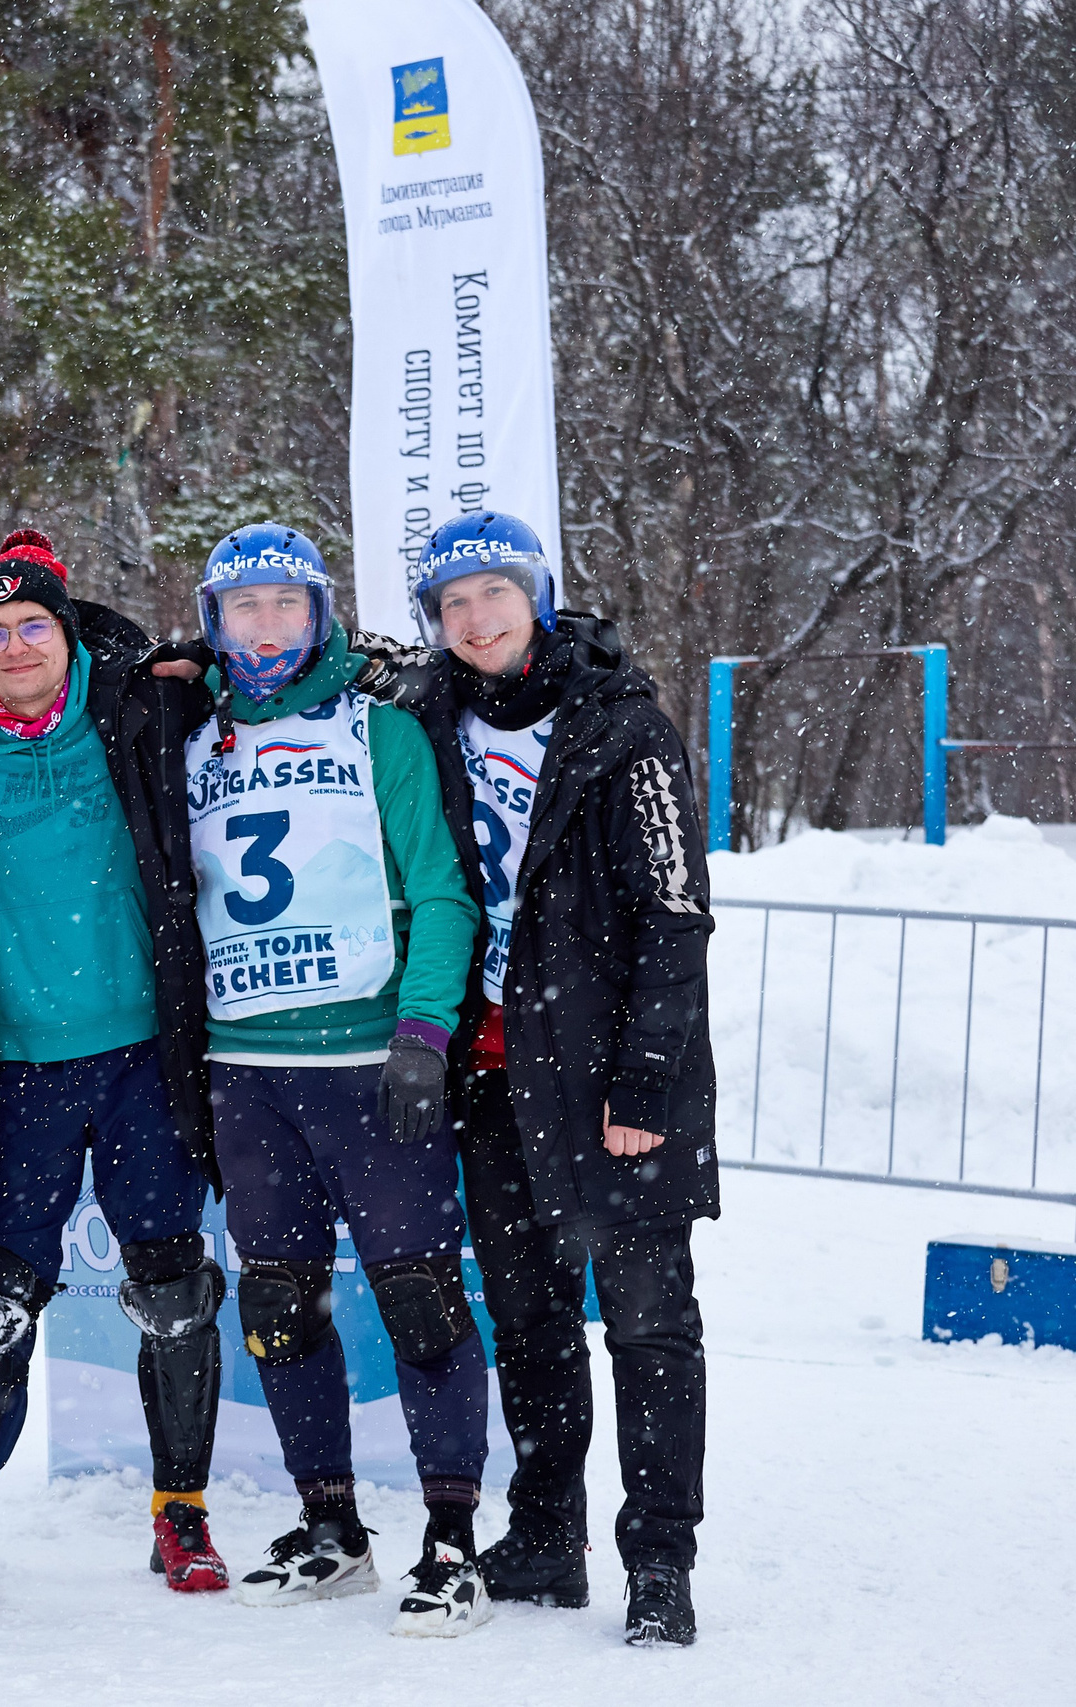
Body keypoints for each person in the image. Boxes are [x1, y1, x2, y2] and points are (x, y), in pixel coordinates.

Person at [0, 530, 225, 1614]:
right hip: (11, 1063)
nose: (15, 645)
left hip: (138, 1050)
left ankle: (181, 1515)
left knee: (170, 1289)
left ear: (67, 639)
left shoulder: (138, 710)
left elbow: (272, 694)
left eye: (34, 626)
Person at [397, 510, 717, 1648]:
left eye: (493, 592)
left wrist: (642, 1086)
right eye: (451, 602)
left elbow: (674, 919)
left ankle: (660, 1560)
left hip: (615, 1081)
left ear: (534, 594)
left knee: (646, 1324)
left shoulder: (621, 727)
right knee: (529, 1320)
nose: (475, 617)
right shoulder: (427, 713)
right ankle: (544, 1536)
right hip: (491, 1076)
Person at [173, 523, 489, 1637]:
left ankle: (452, 1543)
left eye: (285, 605)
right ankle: (331, 1528)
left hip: (367, 1063)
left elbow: (445, 895)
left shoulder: (380, 731)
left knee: (418, 1298)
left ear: (319, 615)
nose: (265, 627)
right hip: (245, 1069)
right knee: (277, 1303)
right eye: (242, 609)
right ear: (213, 623)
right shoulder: (189, 738)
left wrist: (423, 1032)